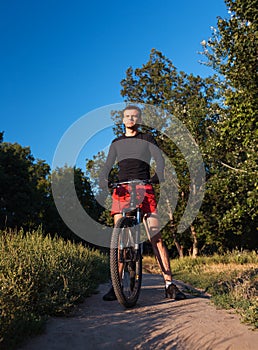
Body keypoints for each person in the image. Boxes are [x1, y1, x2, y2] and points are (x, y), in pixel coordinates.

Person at [99, 105, 186, 301]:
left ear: (139, 120)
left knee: (157, 238)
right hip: (121, 190)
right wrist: (104, 179)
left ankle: (169, 285)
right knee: (120, 242)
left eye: (134, 116)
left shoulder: (147, 139)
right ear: (123, 120)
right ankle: (117, 285)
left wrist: (159, 174)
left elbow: (159, 160)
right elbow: (107, 165)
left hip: (144, 188)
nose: (131, 119)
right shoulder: (116, 143)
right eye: (127, 116)